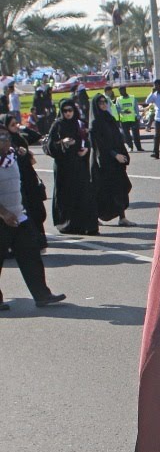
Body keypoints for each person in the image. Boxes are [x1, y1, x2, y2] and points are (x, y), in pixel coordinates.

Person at [0, 128, 65, 311]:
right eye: (1, 138)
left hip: (19, 216)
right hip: (3, 218)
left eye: (7, 137)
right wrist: (4, 213)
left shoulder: (12, 158)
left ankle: (42, 295)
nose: (5, 141)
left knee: (31, 255)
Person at [47, 99, 98, 235]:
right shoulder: (57, 125)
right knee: (66, 194)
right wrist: (62, 143)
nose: (68, 113)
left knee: (83, 193)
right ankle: (68, 224)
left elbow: (87, 141)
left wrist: (86, 149)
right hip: (64, 167)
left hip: (79, 164)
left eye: (70, 110)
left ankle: (87, 224)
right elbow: (49, 147)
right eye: (65, 111)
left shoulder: (79, 124)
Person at [89, 94, 134, 227]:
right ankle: (95, 216)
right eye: (100, 103)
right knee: (103, 190)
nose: (103, 105)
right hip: (103, 161)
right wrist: (114, 155)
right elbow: (99, 144)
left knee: (121, 187)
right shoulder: (95, 123)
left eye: (105, 102)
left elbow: (117, 139)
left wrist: (122, 153)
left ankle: (122, 217)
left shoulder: (110, 118)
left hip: (115, 161)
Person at [4, 114, 46, 242]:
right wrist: (15, 152)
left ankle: (38, 239)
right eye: (12, 124)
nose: (16, 126)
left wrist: (23, 128)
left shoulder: (19, 137)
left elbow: (37, 136)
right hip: (15, 183)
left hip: (29, 178)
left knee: (36, 210)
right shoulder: (5, 142)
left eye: (16, 123)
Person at [115, 86, 143, 152]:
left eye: (122, 91)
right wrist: (123, 111)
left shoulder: (132, 97)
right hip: (124, 120)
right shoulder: (118, 99)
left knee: (136, 134)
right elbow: (117, 109)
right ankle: (130, 147)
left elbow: (136, 108)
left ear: (125, 90)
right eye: (120, 91)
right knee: (126, 135)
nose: (121, 92)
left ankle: (139, 147)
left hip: (133, 119)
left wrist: (138, 117)